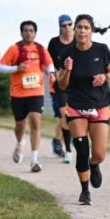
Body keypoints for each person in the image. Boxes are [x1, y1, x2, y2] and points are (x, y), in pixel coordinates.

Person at [56, 15, 110, 205]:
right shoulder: (67, 53)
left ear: (91, 30)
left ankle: (94, 164)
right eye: (79, 27)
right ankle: (84, 191)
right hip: (76, 107)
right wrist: (67, 70)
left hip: (99, 106)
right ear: (74, 30)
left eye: (86, 27)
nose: (82, 31)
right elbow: (62, 85)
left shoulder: (102, 49)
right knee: (82, 149)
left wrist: (104, 77)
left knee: (98, 153)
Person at [0, 20, 56, 172]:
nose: (28, 33)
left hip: (36, 91)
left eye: (31, 30)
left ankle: (34, 160)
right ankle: (19, 143)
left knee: (35, 122)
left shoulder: (40, 49)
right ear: (21, 33)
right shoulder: (14, 49)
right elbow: (0, 67)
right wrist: (16, 68)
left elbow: (49, 64)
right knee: (20, 125)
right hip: (18, 93)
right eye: (25, 30)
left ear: (35, 33)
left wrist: (50, 73)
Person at [47, 14, 75, 164]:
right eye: (63, 25)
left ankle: (58, 140)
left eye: (69, 24)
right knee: (64, 114)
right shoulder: (54, 43)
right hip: (60, 83)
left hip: (76, 84)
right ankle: (67, 149)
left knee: (71, 115)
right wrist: (52, 74)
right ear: (59, 27)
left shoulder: (78, 41)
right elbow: (48, 62)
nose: (66, 28)